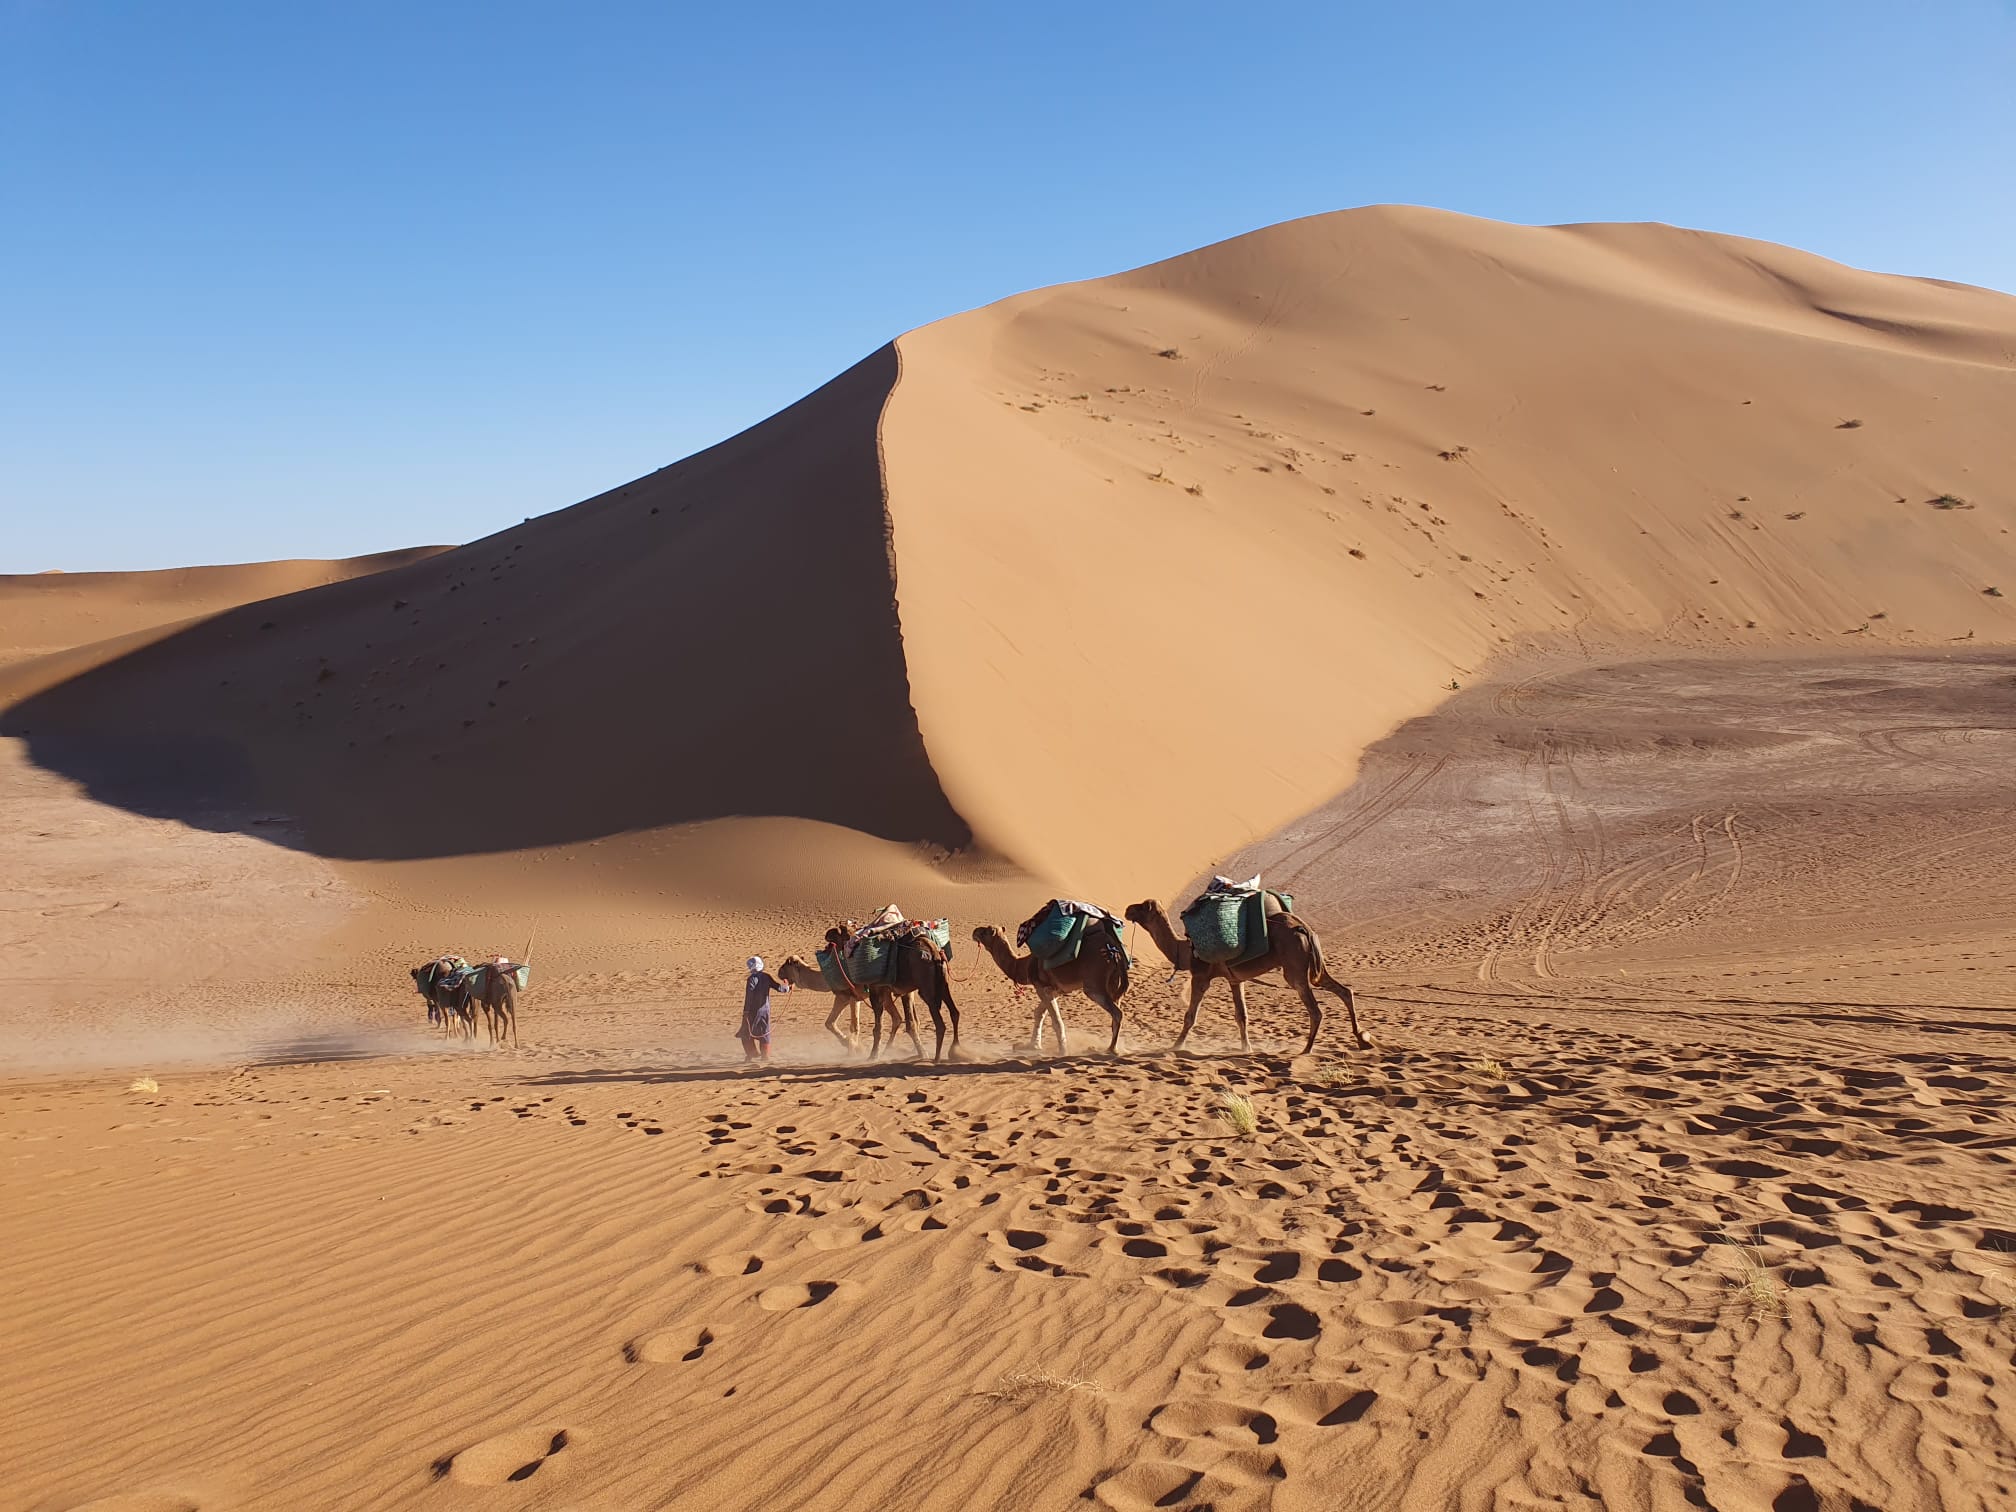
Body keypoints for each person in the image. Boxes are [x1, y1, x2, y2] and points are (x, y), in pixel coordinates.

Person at [738, 955, 789, 1062]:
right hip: (765, 1011)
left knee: (746, 1033)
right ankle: (765, 1056)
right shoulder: (767, 977)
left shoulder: (751, 979)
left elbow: (749, 997)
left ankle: (751, 1055)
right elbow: (779, 988)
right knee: (764, 1032)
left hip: (752, 1012)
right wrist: (787, 987)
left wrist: (746, 1012)